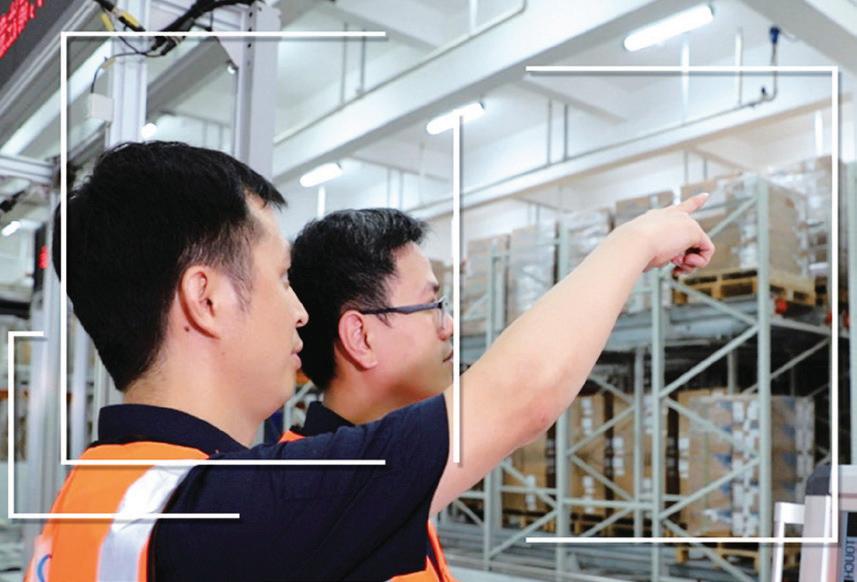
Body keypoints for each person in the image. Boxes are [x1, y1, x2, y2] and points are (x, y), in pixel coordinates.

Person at [27, 140, 713, 581]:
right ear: (205, 299)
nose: (301, 313)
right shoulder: (233, 512)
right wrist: (636, 242)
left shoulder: (98, 497)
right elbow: (518, 396)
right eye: (281, 279)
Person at [282, 208, 455, 581]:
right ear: (360, 337)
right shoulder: (310, 494)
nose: (449, 326)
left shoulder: (387, 469)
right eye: (432, 306)